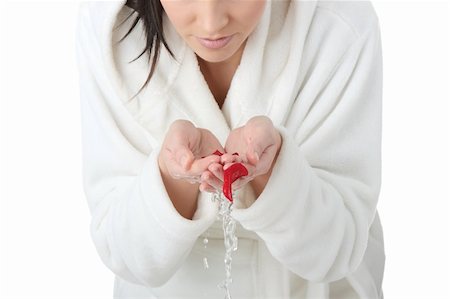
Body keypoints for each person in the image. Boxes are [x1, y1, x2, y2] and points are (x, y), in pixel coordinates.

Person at [75, 0, 385, 298]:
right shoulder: (107, 27)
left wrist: (274, 171)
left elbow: (338, 249)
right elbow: (124, 253)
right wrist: (172, 179)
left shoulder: (339, 24)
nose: (212, 22)